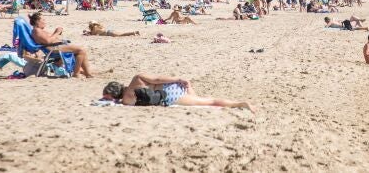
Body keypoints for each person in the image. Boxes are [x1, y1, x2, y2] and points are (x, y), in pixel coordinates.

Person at [101, 74, 254, 112]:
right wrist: (179, 79)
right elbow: (157, 79)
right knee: (201, 99)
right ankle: (239, 103)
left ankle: (238, 104)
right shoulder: (137, 78)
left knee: (208, 102)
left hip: (168, 98)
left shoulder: (126, 102)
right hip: (171, 88)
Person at [30, 12, 94, 78]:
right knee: (81, 50)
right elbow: (48, 41)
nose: (45, 22)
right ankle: (76, 73)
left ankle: (88, 74)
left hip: (56, 47)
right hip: (53, 49)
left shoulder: (38, 30)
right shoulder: (36, 30)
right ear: (37, 21)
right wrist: (57, 32)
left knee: (81, 51)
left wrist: (56, 33)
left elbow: (49, 39)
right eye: (43, 20)